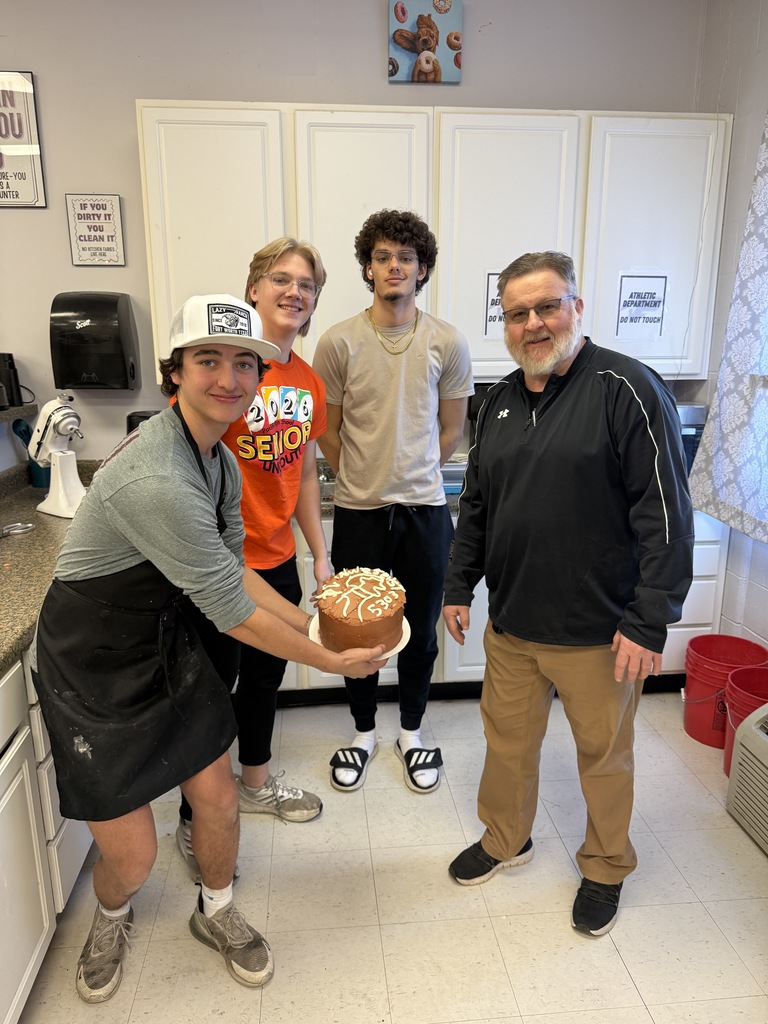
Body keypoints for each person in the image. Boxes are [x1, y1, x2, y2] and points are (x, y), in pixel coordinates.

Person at [29, 294, 386, 1003]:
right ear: (177, 373)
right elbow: (227, 612)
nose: (228, 377)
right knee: (132, 856)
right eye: (209, 360)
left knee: (218, 800)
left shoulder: (215, 457)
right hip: (92, 658)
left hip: (164, 638)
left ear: (260, 378)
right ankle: (112, 914)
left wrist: (313, 625)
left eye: (244, 363)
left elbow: (235, 570)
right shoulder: (157, 477)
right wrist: (331, 661)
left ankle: (215, 912)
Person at [443, 252, 694, 937]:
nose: (533, 323)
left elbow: (666, 516)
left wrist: (649, 621)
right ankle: (505, 839)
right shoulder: (496, 400)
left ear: (576, 308)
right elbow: (477, 506)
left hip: (599, 632)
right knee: (507, 745)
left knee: (602, 756)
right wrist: (458, 584)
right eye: (518, 312)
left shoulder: (626, 388)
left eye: (547, 306)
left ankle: (607, 865)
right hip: (515, 625)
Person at [175, 240, 330, 882]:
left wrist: (320, 554)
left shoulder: (308, 380)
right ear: (254, 289)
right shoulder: (228, 372)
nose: (294, 291)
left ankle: (257, 782)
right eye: (281, 279)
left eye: (307, 284)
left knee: (266, 678)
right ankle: (197, 819)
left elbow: (306, 471)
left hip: (276, 557)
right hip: (218, 562)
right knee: (211, 690)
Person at [313, 209, 473, 794]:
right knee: (356, 632)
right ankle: (362, 732)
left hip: (427, 512)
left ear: (422, 268)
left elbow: (451, 431)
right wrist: (363, 472)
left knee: (420, 631)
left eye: (406, 257)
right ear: (367, 267)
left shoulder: (446, 341)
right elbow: (326, 432)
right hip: (359, 511)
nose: (394, 266)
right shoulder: (337, 342)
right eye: (383, 257)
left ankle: (410, 730)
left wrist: (413, 469)